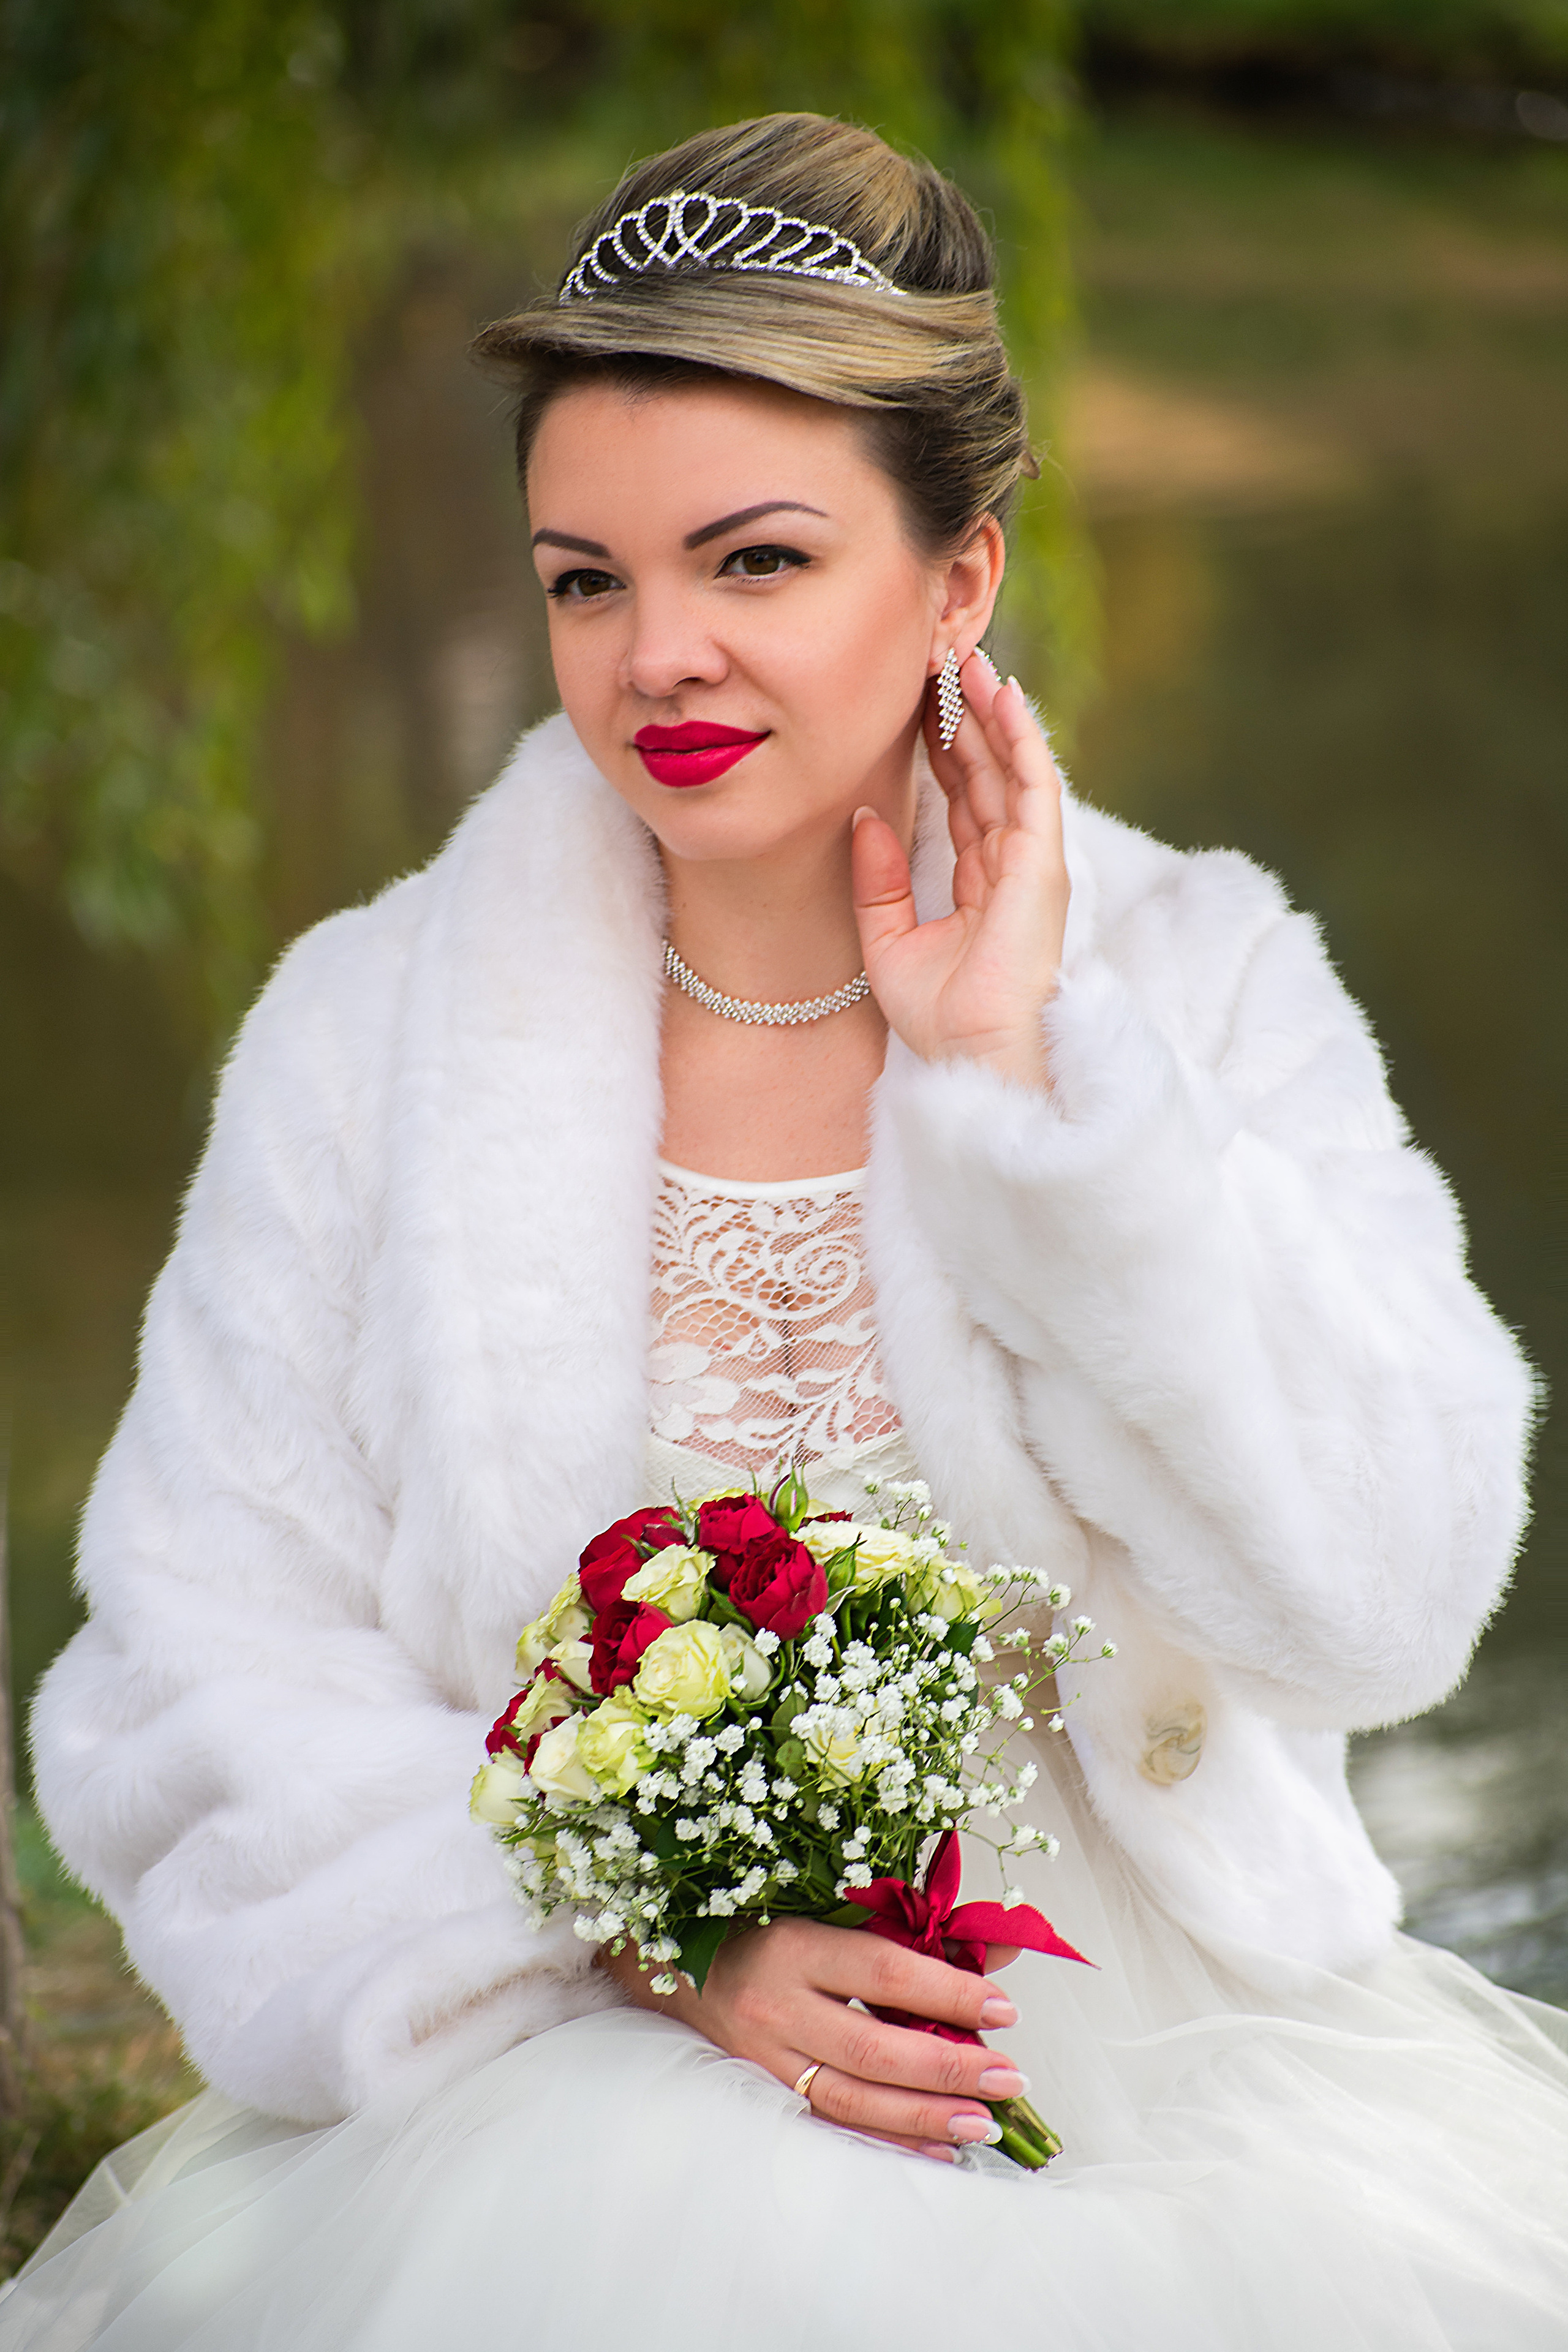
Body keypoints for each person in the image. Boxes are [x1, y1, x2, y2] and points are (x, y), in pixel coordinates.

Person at [6, 111, 1566, 2351]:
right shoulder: (371, 1034)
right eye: (586, 578)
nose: (657, 658)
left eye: (754, 562)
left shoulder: (1196, 984)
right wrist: (638, 1925)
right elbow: (192, 1670)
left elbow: (1399, 1589)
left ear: (957, 581)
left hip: (1162, 2096)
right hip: (567, 2099)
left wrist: (1035, 1100)